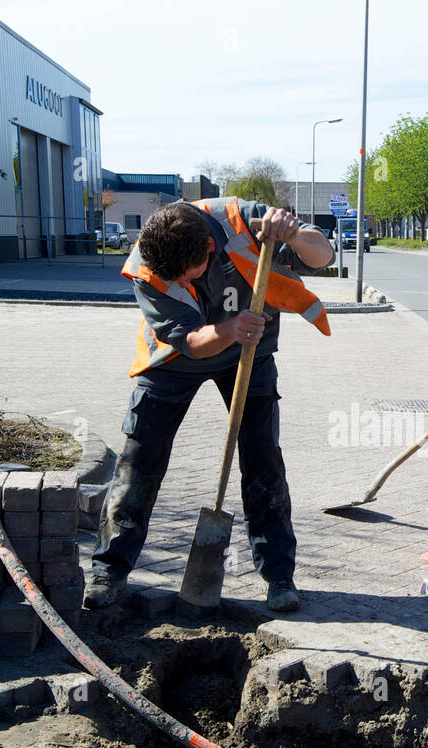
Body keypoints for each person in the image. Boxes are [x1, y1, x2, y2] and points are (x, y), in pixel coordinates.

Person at [83, 197, 334, 613]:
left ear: (209, 250)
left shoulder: (244, 222)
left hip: (250, 355)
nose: (182, 283)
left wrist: (292, 232)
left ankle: (278, 576)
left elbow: (322, 255)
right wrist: (230, 327)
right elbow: (191, 342)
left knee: (263, 460)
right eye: (174, 278)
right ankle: (109, 570)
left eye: (189, 274)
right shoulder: (146, 265)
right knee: (138, 458)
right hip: (177, 360)